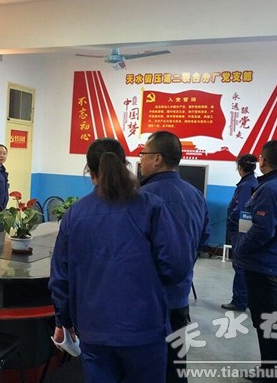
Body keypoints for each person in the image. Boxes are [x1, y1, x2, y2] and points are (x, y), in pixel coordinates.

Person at [49, 138, 191, 382]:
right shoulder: (151, 207)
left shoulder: (75, 215)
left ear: (90, 171)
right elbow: (177, 265)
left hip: (94, 330)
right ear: (125, 165)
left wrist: (63, 320)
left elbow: (61, 277)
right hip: (144, 329)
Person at [138, 131, 211, 383]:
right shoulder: (195, 195)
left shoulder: (143, 196)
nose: (140, 160)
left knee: (147, 367)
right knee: (176, 364)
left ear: (157, 158)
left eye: (143, 154)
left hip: (147, 301)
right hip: (180, 297)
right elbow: (204, 239)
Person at [234, 140, 277, 383]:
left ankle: (270, 375)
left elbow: (262, 230)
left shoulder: (270, 189)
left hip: (264, 265)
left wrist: (241, 249)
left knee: (267, 321)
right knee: (269, 319)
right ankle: (269, 371)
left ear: (263, 161)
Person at [221, 154, 258, 312]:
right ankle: (245, 299)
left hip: (240, 230)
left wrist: (231, 219)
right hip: (245, 229)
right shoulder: (253, 183)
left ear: (240, 167)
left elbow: (241, 210)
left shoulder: (246, 186)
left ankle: (239, 301)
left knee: (240, 265)